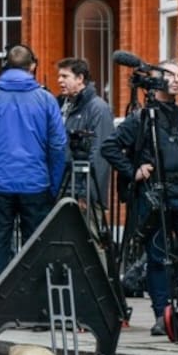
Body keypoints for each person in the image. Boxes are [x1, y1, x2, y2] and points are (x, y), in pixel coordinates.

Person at [101, 59, 178, 336]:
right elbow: (110, 146)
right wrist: (134, 171)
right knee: (157, 256)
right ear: (156, 79)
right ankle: (161, 313)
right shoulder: (141, 118)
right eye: (171, 75)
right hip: (153, 194)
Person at [0, 45, 67, 296]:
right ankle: (37, 306)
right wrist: (53, 184)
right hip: (36, 183)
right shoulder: (45, 99)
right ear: (32, 66)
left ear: (6, 65)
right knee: (36, 246)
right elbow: (58, 145)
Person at [57, 57, 115, 268]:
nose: (60, 80)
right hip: (64, 188)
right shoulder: (65, 105)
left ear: (80, 78)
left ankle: (99, 297)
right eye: (59, 76)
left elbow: (99, 154)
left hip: (84, 192)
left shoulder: (97, 107)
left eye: (65, 76)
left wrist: (87, 193)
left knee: (92, 243)